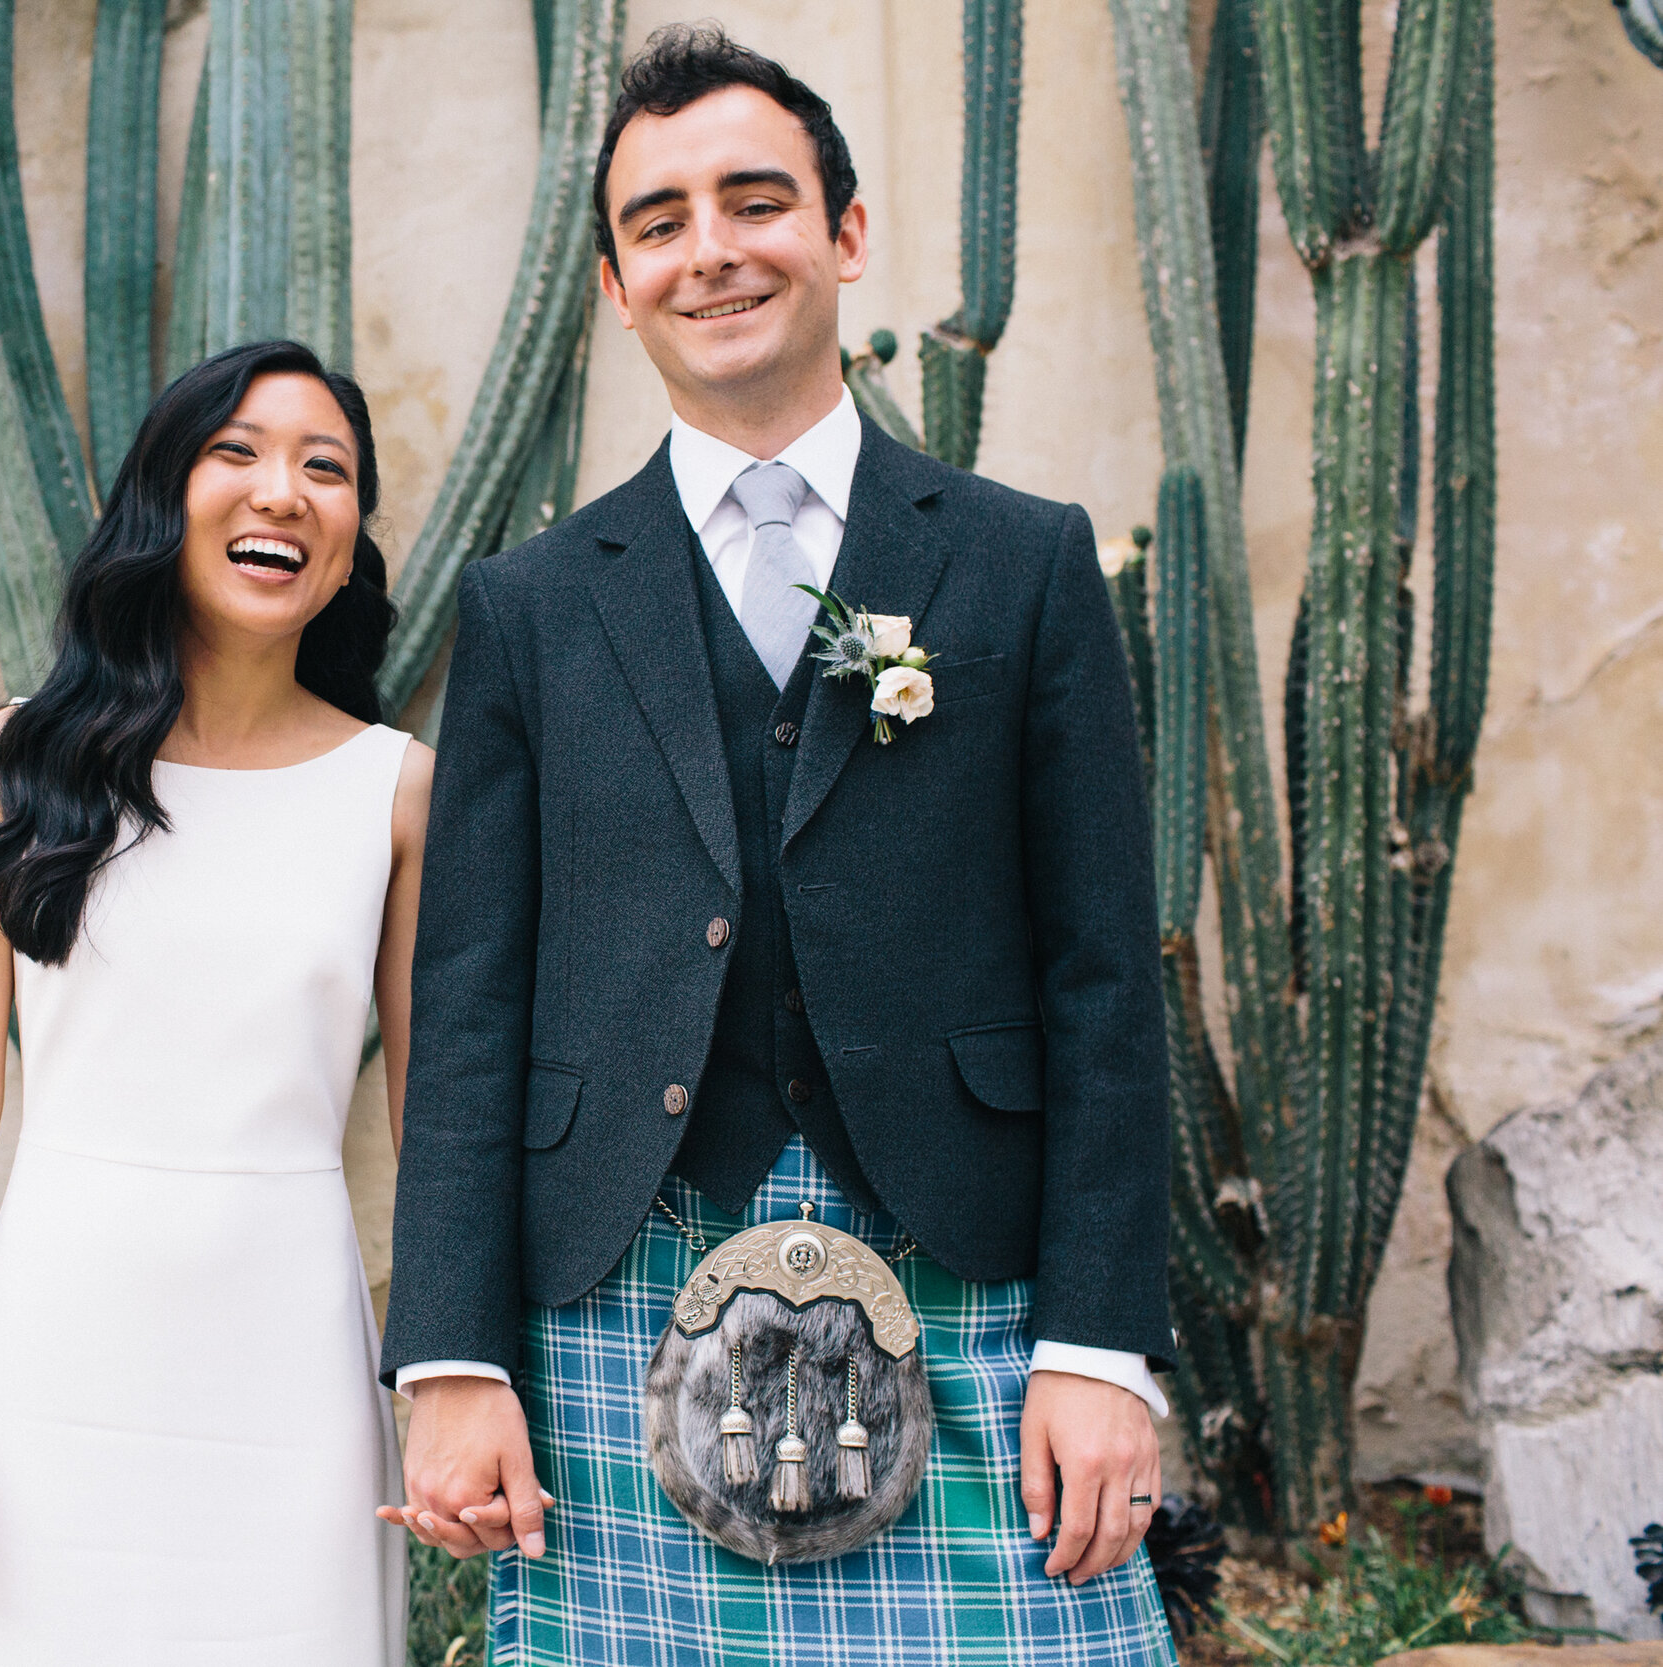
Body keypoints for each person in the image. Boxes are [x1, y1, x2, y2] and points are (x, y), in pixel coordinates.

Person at [381, 25, 1181, 1665]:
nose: (712, 251)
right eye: (659, 221)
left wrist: (1102, 1345)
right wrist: (451, 1356)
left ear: (847, 233)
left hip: (969, 1277)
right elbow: (468, 1004)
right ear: (614, 284)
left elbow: (1104, 974)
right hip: (620, 1287)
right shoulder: (531, 607)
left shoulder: (1024, 569)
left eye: (756, 201)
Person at [0, 339, 422, 1666]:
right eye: (234, 453)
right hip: (63, 1346)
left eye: (326, 468)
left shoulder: (396, 789)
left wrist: (455, 1386)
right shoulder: (12, 767)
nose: (281, 492)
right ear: (159, 498)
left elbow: (439, 1121)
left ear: (353, 537)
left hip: (293, 1347)